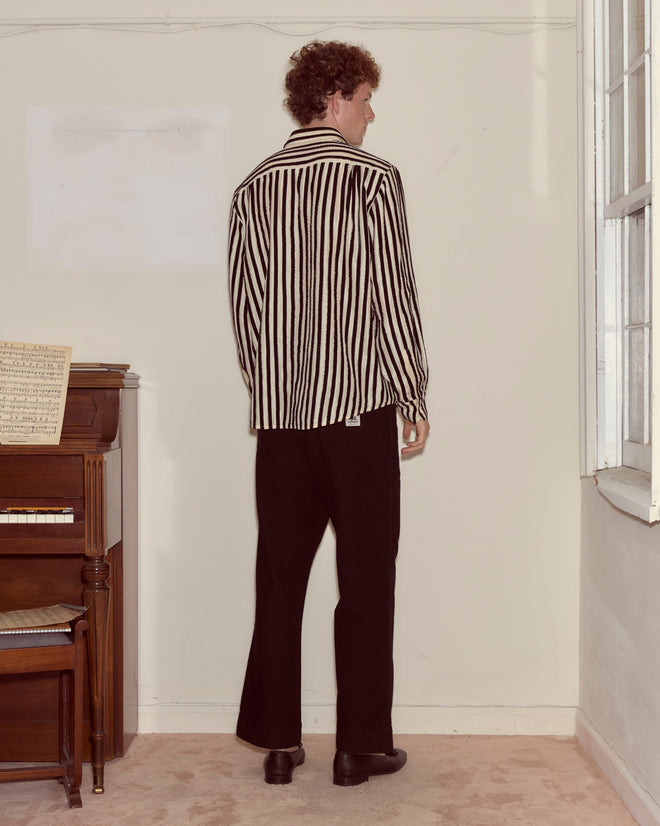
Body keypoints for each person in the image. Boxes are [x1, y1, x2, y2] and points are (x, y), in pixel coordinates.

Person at [229, 40, 429, 787]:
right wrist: (411, 391)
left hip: (282, 420)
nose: (372, 116)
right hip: (357, 414)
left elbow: (246, 314)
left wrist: (274, 389)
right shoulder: (370, 180)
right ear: (337, 96)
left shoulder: (254, 187)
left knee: (280, 578)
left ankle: (279, 744)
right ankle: (358, 747)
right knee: (367, 577)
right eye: (368, 99)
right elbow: (392, 295)